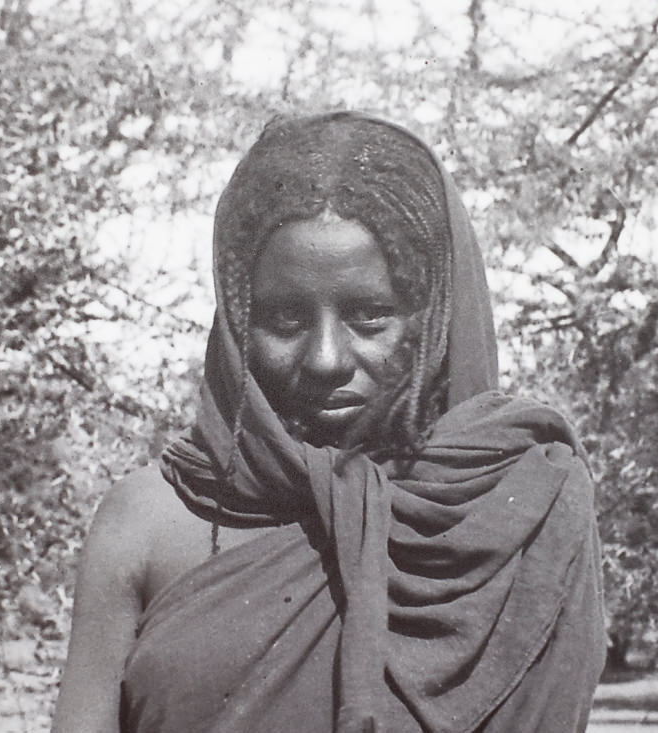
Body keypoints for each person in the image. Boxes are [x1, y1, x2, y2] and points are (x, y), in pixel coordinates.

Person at [52, 111, 606, 733]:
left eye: (371, 316)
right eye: (284, 320)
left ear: (436, 317)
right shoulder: (150, 522)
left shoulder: (519, 505)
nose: (325, 359)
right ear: (236, 325)